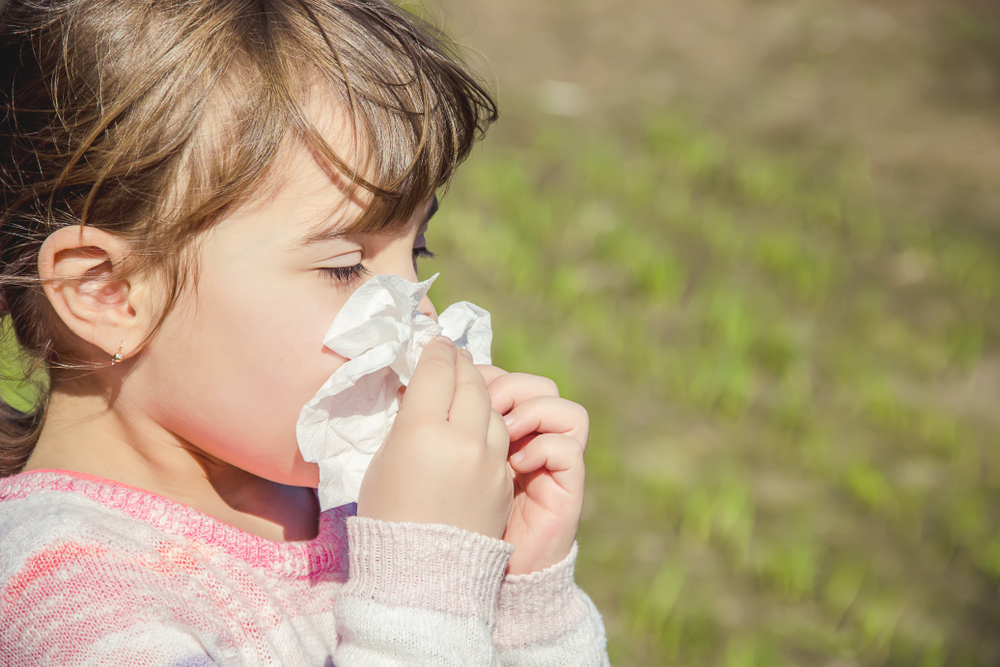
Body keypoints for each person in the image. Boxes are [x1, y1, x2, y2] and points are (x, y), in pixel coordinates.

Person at [0, 0, 609, 665]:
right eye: (347, 267)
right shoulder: (68, 605)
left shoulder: (353, 498)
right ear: (107, 292)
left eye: (419, 252)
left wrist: (526, 600)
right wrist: (421, 580)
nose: (422, 318)